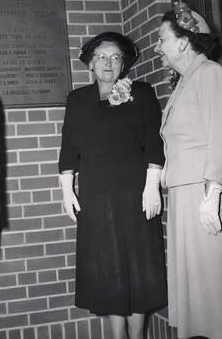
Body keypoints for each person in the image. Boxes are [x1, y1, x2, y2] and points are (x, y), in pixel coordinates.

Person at [59, 32, 167, 339]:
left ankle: (138, 336)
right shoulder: (77, 99)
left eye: (116, 57)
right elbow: (68, 148)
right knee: (109, 268)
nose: (109, 62)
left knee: (138, 266)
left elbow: (154, 144)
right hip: (95, 195)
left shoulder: (142, 93)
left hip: (136, 193)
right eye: (102, 57)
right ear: (90, 64)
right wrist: (68, 190)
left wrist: (151, 186)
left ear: (124, 64)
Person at [155, 0, 222, 339]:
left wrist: (213, 195)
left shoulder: (210, 74)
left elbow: (219, 134)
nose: (157, 46)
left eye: (162, 39)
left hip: (202, 192)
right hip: (184, 192)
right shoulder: (184, 81)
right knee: (195, 285)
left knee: (210, 287)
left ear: (183, 42)